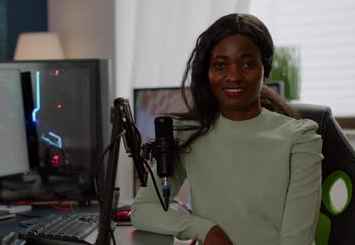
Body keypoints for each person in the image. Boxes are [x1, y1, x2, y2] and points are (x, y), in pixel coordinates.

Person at [131, 13, 323, 245]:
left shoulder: (300, 138)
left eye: (247, 64)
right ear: (207, 71)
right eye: (220, 65)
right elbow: (143, 210)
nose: (233, 76)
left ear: (266, 68)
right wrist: (204, 229)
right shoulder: (188, 133)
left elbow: (297, 241)